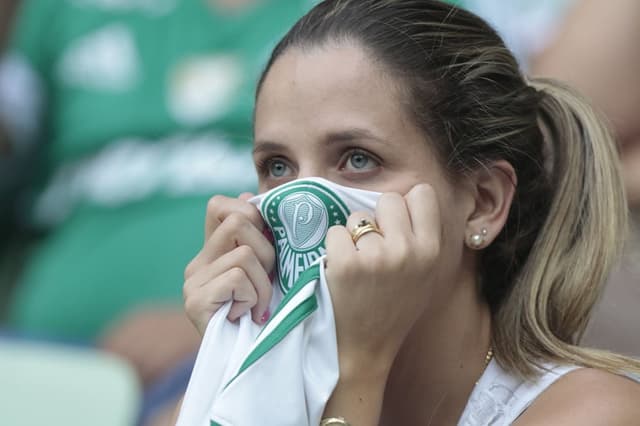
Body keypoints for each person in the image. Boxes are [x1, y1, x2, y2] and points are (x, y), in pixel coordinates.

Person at [180, 0, 640, 424]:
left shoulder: (592, 413)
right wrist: (231, 365)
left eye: (358, 159)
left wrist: (360, 369)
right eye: (277, 167)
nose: (303, 206)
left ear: (483, 203)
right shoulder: (235, 394)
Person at [0, 0, 313, 386]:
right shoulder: (58, 9)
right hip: (41, 352)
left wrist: (222, 325)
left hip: (255, 350)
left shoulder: (358, 16)